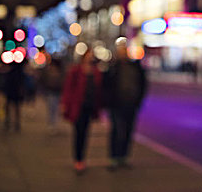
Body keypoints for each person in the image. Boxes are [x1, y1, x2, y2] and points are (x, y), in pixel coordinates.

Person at [104, 37, 147, 170]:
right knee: (116, 131)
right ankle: (114, 157)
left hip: (131, 104)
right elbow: (106, 86)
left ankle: (123, 157)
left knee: (128, 131)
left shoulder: (135, 66)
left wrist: (138, 100)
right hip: (116, 105)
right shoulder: (113, 68)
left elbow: (143, 84)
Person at [61, 48, 103, 174]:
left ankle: (81, 158)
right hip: (77, 106)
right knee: (78, 133)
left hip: (89, 107)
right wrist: (65, 104)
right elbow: (68, 88)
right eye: (88, 56)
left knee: (85, 133)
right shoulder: (76, 70)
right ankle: (78, 159)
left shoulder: (96, 72)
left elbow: (99, 90)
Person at [40, 57, 65, 134]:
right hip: (51, 92)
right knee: (51, 109)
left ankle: (55, 124)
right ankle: (52, 124)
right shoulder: (49, 72)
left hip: (58, 93)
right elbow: (44, 81)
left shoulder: (60, 74)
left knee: (56, 109)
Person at [4, 59, 26, 132]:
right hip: (15, 92)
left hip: (11, 92)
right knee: (16, 109)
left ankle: (9, 122)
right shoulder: (20, 72)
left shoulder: (10, 72)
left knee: (10, 108)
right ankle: (16, 123)